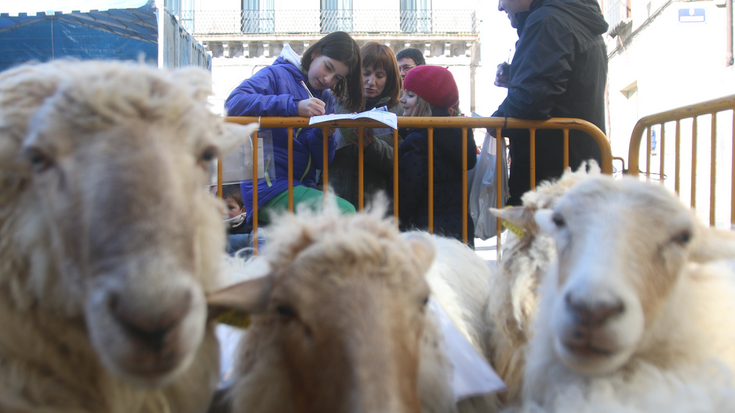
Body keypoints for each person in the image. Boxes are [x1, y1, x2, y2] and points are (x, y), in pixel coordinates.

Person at [224, 31, 363, 224]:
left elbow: (322, 162)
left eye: (337, 78)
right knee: (344, 212)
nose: (328, 79)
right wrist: (294, 106)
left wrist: (326, 134)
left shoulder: (327, 99)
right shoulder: (276, 74)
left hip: (300, 186)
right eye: (328, 67)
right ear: (316, 52)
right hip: (268, 187)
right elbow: (233, 103)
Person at [493, 0, 608, 206]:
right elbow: (564, 85)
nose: (500, 6)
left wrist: (494, 123)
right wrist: (516, 77)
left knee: (525, 236)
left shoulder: (548, 21)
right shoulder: (573, 16)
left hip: (550, 181)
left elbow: (529, 103)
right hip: (575, 172)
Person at [396, 65, 477, 247]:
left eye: (410, 95)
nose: (401, 100)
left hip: (424, 232)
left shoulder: (418, 140)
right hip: (458, 230)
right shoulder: (458, 134)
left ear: (426, 103)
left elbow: (407, 193)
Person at [329, 42, 404, 210]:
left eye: (380, 75)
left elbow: (403, 159)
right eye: (366, 73)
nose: (372, 82)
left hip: (377, 203)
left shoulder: (398, 110)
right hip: (335, 196)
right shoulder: (334, 102)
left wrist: (372, 147)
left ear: (389, 78)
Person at [222, 184, 252, 255]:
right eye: (220, 207)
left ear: (243, 210)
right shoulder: (213, 228)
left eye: (230, 208)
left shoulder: (251, 228)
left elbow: (258, 251)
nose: (224, 212)